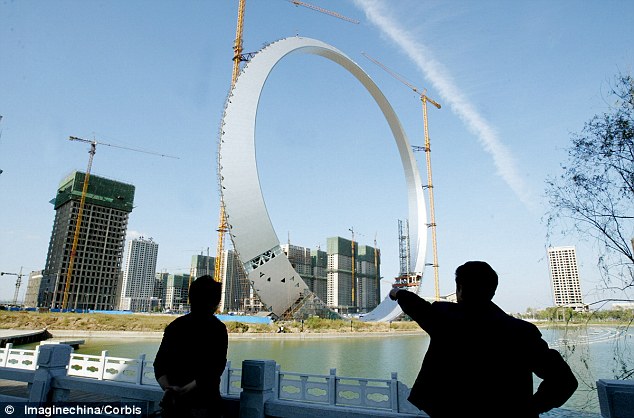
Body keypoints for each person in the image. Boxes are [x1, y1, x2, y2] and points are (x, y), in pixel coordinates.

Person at [389, 261, 578, 418]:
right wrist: (531, 408)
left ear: (460, 288)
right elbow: (564, 381)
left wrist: (397, 292)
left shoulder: (445, 320)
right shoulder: (522, 332)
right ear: (492, 291)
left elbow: (417, 306)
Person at [154, 275, 228, 418]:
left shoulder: (175, 326)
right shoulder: (217, 328)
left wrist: (168, 387)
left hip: (173, 404)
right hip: (204, 404)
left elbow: (159, 364)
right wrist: (189, 387)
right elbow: (215, 368)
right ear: (215, 302)